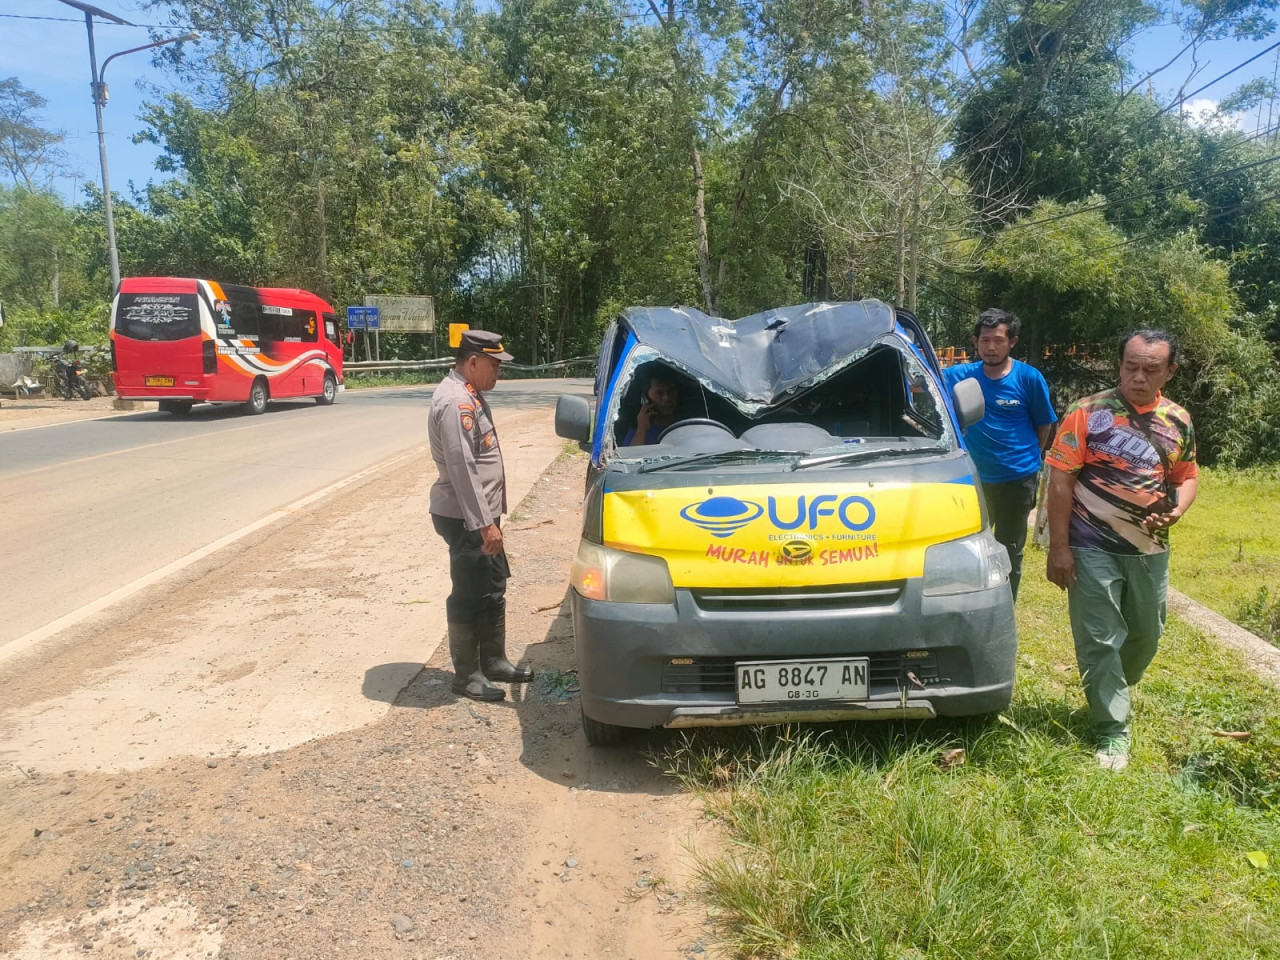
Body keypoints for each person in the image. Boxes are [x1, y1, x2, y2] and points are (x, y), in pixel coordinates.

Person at [1045, 329, 1199, 771]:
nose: (1138, 376)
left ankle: (1111, 686)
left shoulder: (1178, 420)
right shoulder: (1087, 413)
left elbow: (1187, 476)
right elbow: (1061, 480)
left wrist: (1178, 510)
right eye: (1130, 366)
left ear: (1168, 371)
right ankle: (1112, 731)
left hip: (1150, 547)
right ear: (1119, 365)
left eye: (1150, 369)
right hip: (1090, 544)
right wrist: (1059, 548)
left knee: (1147, 635)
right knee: (1099, 638)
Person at [428, 329, 534, 702]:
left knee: (492, 587)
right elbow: (462, 468)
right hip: (466, 518)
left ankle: (493, 661)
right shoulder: (457, 401)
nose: (498, 374)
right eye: (494, 366)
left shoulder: (471, 393)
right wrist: (484, 524)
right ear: (472, 362)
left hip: (481, 515)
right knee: (469, 593)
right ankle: (467, 675)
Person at [943, 308, 1057, 601]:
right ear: (975, 341)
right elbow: (918, 382)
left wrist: (1030, 459)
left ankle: (1005, 604)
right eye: (984, 340)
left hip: (1018, 479)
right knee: (965, 546)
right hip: (972, 479)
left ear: (1012, 342)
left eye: (998, 340)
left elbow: (1045, 423)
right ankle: (969, 602)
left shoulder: (1029, 378)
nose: (990, 347)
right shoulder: (959, 376)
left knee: (1009, 548)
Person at [623, 373, 680, 445]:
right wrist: (641, 430)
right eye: (659, 393)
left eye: (671, 391)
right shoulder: (636, 434)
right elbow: (633, 455)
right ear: (646, 399)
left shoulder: (687, 425)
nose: (667, 398)